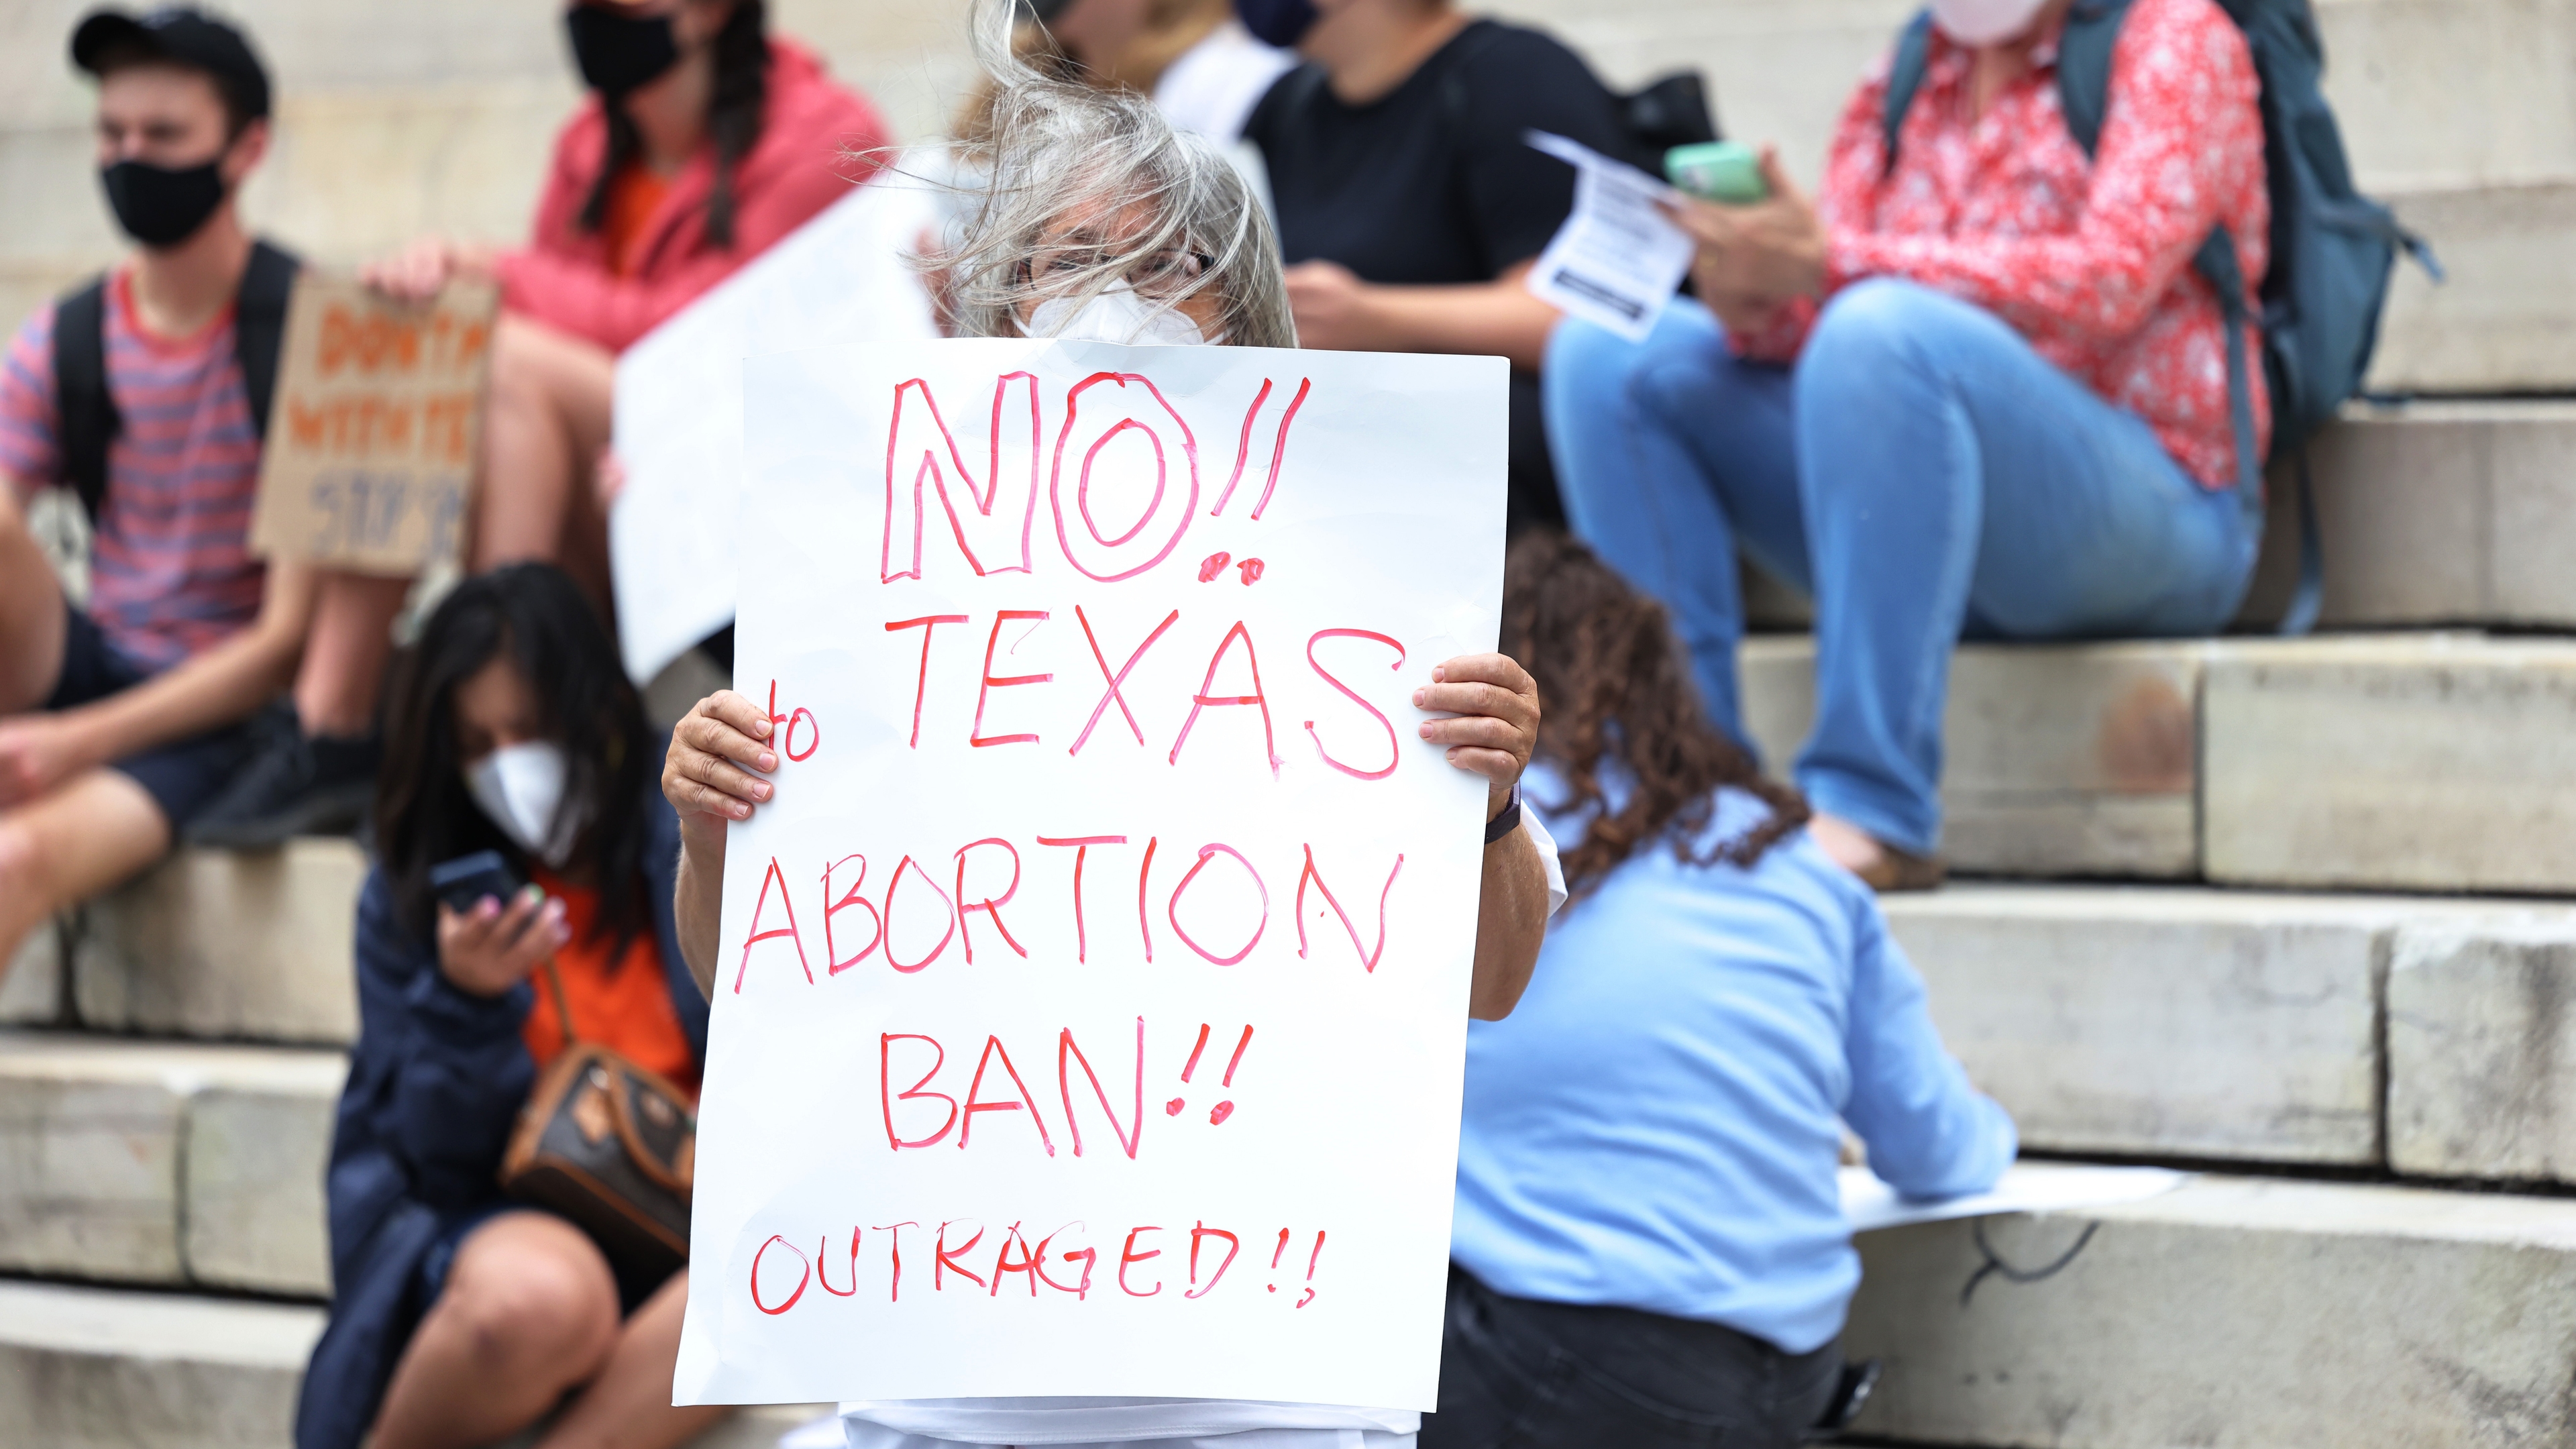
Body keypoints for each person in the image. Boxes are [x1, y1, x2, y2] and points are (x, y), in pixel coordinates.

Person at [659, 5, 1560, 1443]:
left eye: (1162, 265)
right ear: (994, 310)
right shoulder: (877, 598)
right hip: (941, 1383)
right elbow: (753, 988)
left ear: (1243, 308)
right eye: (1066, 266)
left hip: (1272, 1395)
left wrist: (1495, 805)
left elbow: (1495, 979)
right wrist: (716, 834)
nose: (1115, 301)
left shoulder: (1372, 588)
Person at [1544, 0, 2269, 889]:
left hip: (2152, 517)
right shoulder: (1911, 68)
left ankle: (1872, 804)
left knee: (1880, 329)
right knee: (1605, 352)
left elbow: (2112, 278)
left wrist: (1832, 269)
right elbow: (1830, 315)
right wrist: (1758, 296)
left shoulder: (2175, 37)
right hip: (1933, 504)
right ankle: (1677, 786)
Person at [199, 0, 892, 842]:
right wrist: (446, 284)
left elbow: (711, 348)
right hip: (617, 489)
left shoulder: (826, 134)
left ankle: (507, 713)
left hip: (742, 509)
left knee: (495, 354)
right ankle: (330, 722)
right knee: (427, 335)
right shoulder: (587, 145)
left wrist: (490, 274)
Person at [1425, 533, 2015, 1449]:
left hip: (1566, 1370)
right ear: (1666, 686)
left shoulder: (1477, 852)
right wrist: (1990, 1120)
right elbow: (1939, 1150)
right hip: (1791, 1374)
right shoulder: (1794, 863)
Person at [295, 564, 719, 1449]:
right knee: (539, 1304)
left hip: (690, 1216)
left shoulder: (679, 833)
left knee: (756, 1289)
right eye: (477, 743)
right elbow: (432, 1164)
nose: (507, 765)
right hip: (503, 1219)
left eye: (527, 730)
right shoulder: (417, 893)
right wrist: (466, 1006)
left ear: (595, 710)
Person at [0, 5, 342, 972]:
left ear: (247, 149)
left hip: (217, 718)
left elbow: (281, 645)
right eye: (112, 135)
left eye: (163, 136)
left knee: (13, 859)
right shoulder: (65, 339)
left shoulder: (306, 328)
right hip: (88, 659)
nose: (130, 158)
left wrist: (70, 744)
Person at [1234, 0, 1644, 531]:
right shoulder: (1285, 106)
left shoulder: (1514, 75)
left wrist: (1376, 319)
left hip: (1496, 485)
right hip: (1332, 452)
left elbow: (1586, 317)